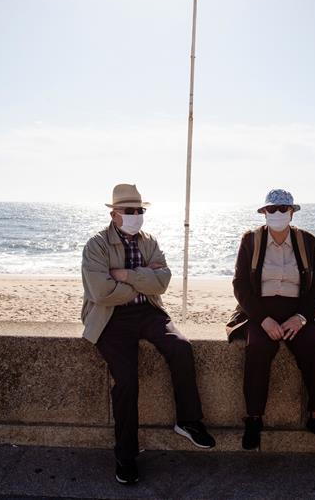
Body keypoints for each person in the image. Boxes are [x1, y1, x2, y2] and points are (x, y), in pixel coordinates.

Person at [81, 183, 215, 485]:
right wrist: (144, 277)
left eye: (140, 210)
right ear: (115, 214)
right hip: (111, 319)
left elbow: (162, 282)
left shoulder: (149, 241)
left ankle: (188, 421)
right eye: (130, 211)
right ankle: (125, 456)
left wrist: (126, 276)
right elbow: (101, 292)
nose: (136, 216)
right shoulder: (97, 245)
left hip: (148, 312)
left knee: (181, 347)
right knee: (126, 381)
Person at [230, 188, 315, 450]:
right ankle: (254, 419)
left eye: (282, 209)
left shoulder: (307, 241)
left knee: (313, 348)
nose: (277, 214)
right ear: (264, 212)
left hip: (297, 310)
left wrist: (301, 317)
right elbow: (240, 284)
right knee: (256, 348)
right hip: (259, 310)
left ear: (292, 212)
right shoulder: (251, 240)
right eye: (271, 209)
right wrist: (263, 320)